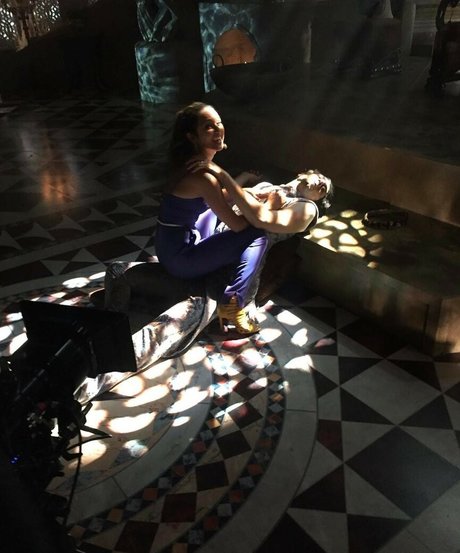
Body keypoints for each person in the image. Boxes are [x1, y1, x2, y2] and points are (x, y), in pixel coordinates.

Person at [154, 102, 269, 335]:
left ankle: (217, 262)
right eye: (208, 127)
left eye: (219, 123)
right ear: (192, 136)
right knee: (257, 235)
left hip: (171, 244)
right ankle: (233, 303)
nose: (218, 130)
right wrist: (261, 212)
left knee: (213, 214)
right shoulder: (204, 175)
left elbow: (216, 197)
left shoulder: (194, 163)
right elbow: (238, 225)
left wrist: (245, 190)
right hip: (180, 259)